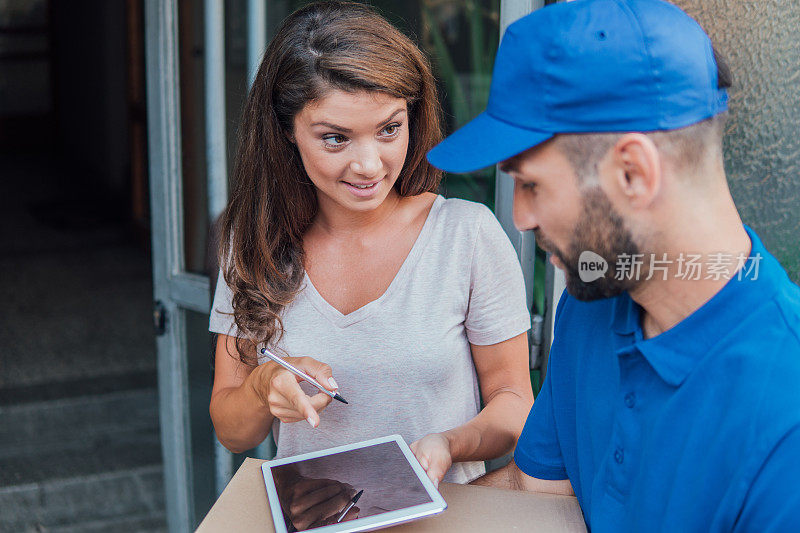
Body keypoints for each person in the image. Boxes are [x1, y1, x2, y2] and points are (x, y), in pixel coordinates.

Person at [426, 0, 800, 530]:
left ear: (633, 173)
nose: (520, 217)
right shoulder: (593, 298)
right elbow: (539, 494)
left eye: (530, 184)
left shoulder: (784, 421)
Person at [208, 0, 534, 499]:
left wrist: (451, 442)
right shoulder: (254, 245)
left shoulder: (466, 236)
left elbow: (514, 404)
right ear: (286, 132)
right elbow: (232, 431)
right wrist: (262, 387)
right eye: (335, 138)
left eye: (389, 129)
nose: (369, 165)